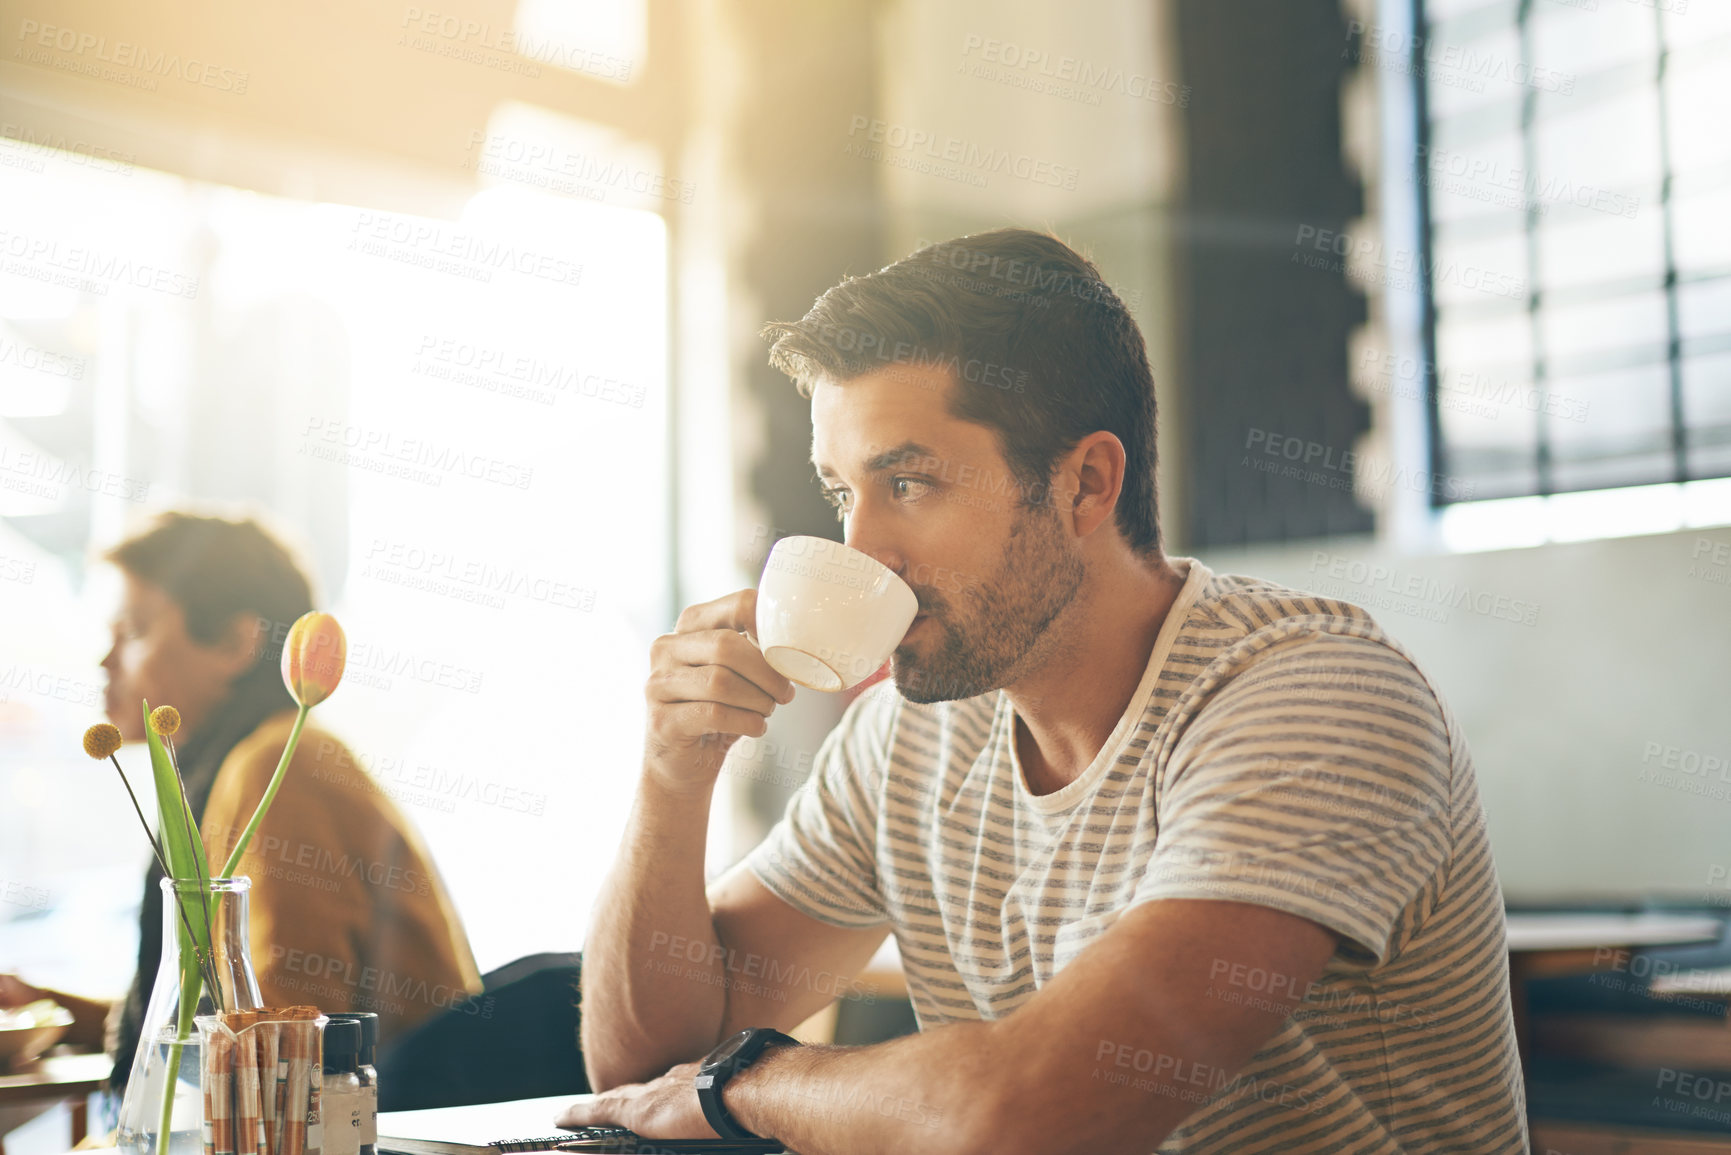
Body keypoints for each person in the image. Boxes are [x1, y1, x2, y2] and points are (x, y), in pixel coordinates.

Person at [564, 230, 1528, 1152]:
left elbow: (1028, 1124)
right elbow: (643, 1071)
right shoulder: (903, 738)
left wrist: (749, 1085)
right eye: (841, 493)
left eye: (908, 483)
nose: (861, 550)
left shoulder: (1310, 695)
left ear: (1085, 483)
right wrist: (671, 776)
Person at [0, 511, 482, 1089]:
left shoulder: (276, 768)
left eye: (132, 631)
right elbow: (222, 1028)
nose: (105, 661)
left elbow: (283, 1043)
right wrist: (48, 1007)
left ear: (234, 642)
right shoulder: (247, 760)